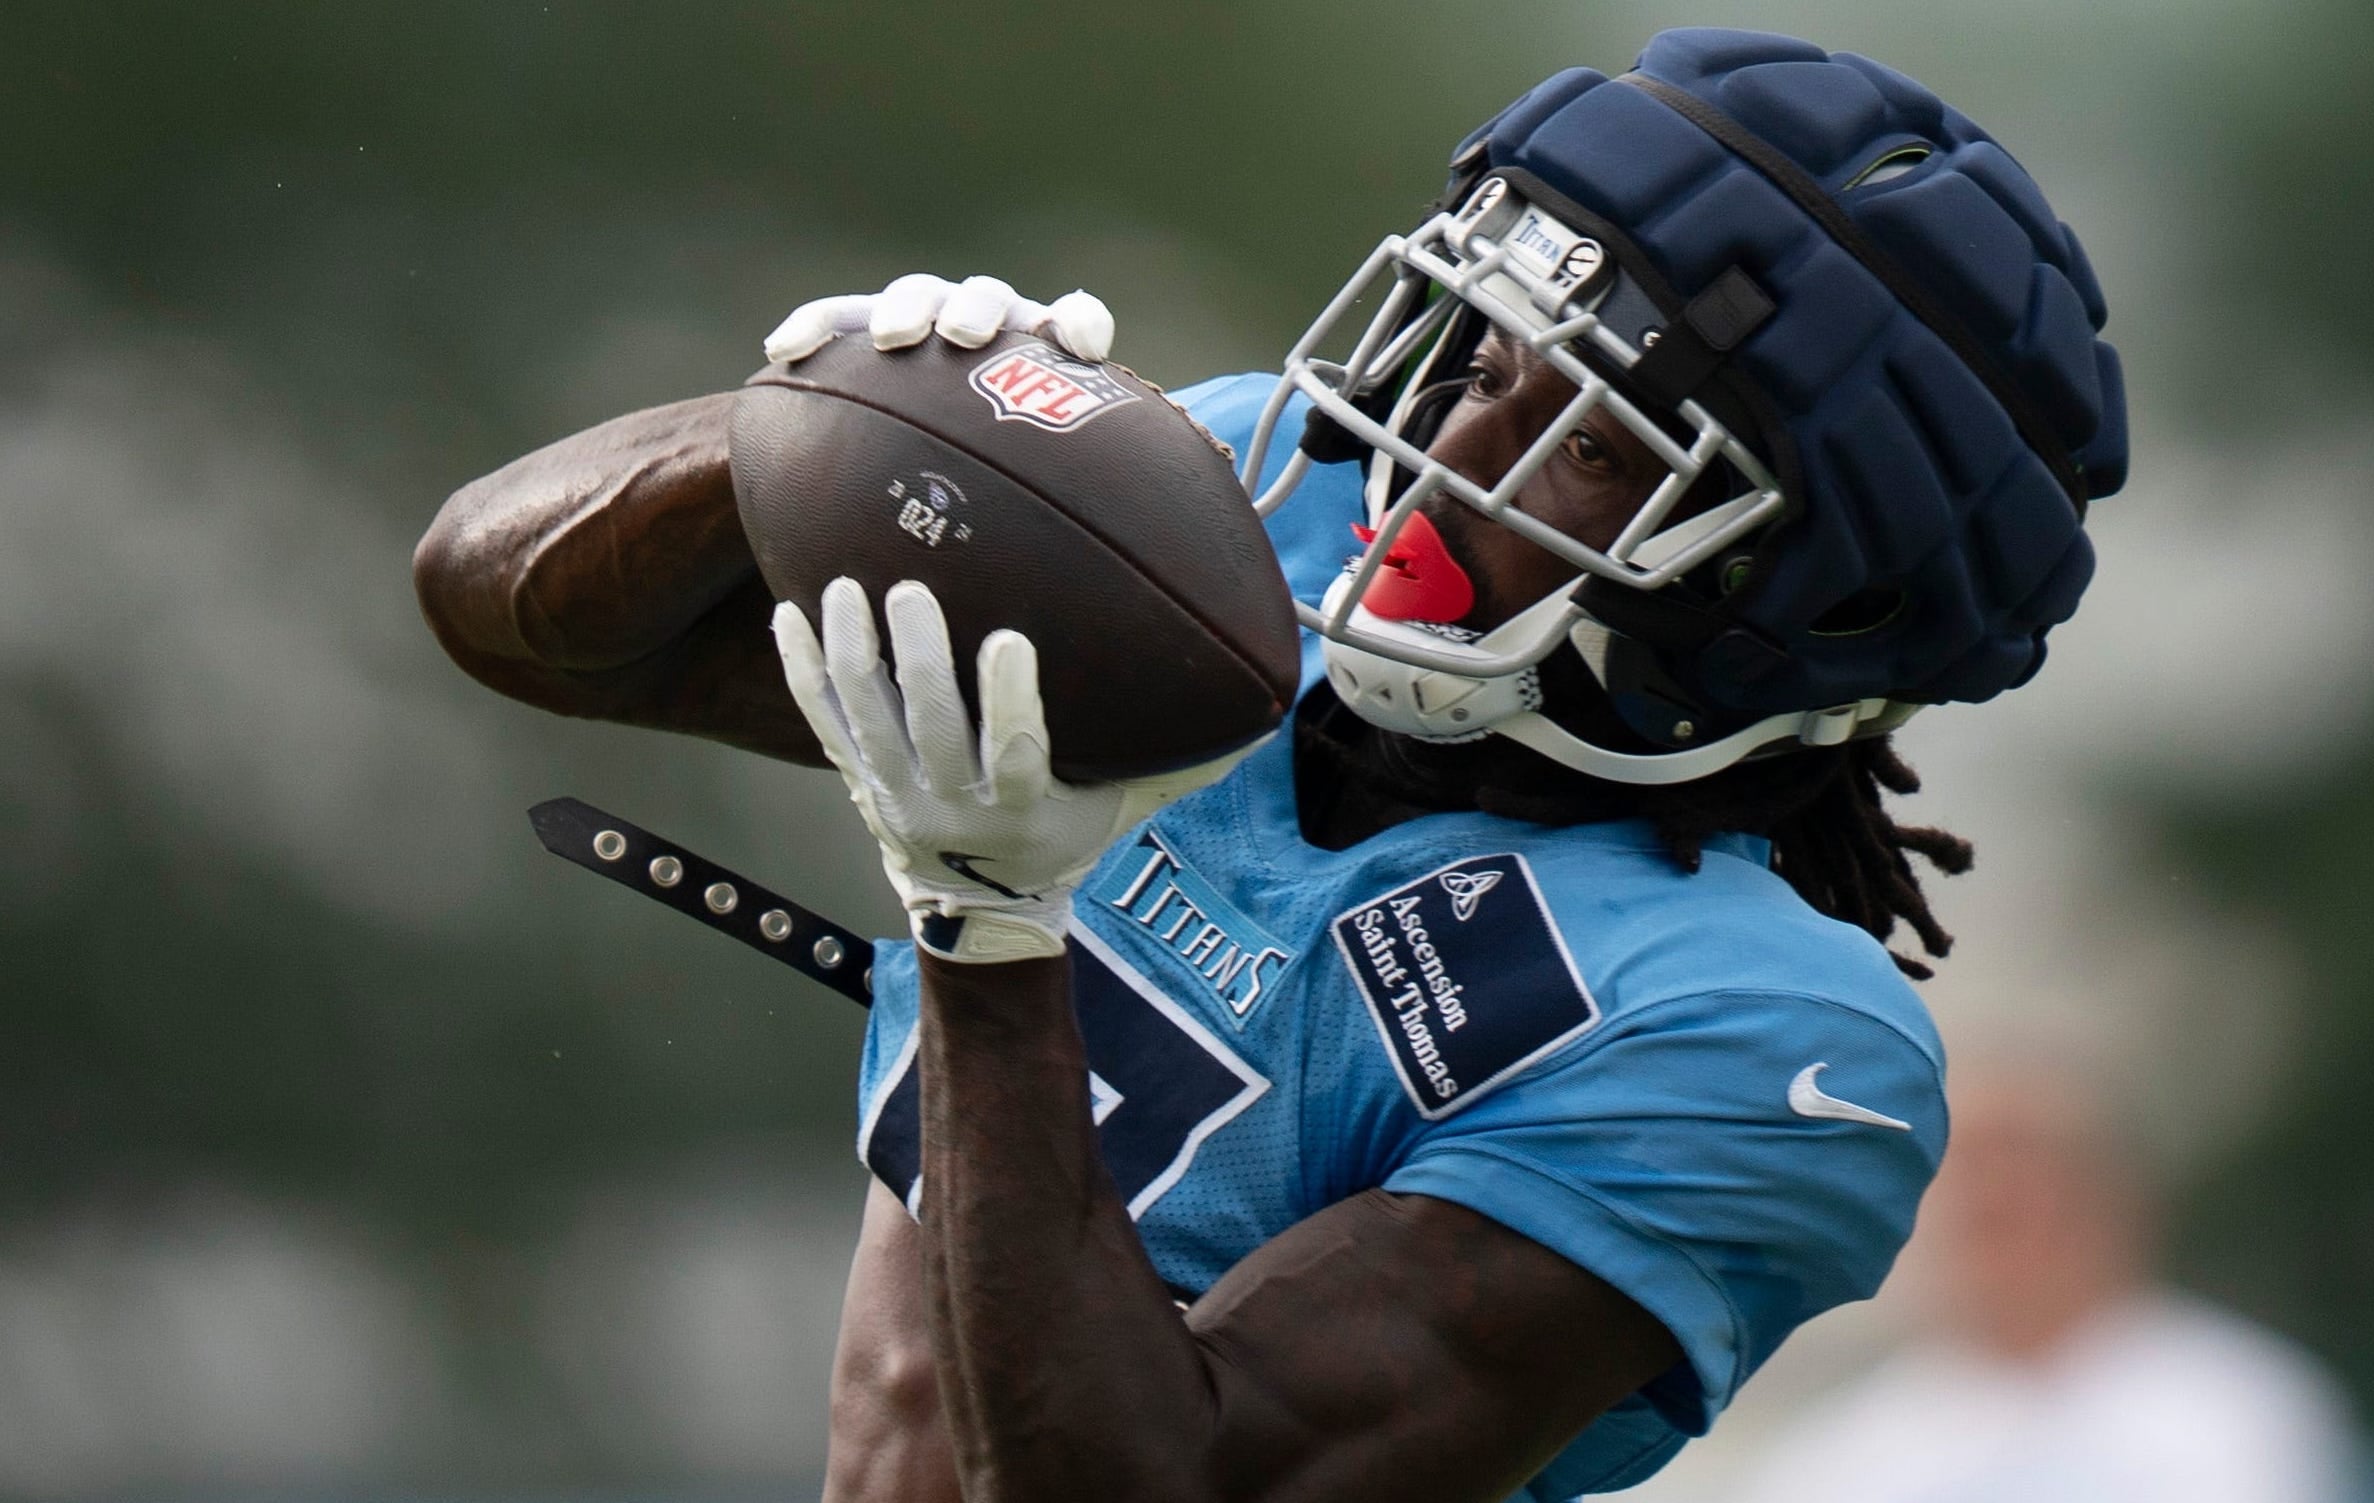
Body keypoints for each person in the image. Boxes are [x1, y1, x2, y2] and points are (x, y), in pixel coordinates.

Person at [413, 28, 2127, 1503]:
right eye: (1477, 356)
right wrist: (824, 422)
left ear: (1791, 609)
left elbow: (1144, 1482)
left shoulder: (1742, 1034)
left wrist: (992, 933)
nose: (1439, 457)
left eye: (1589, 443)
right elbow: (514, 612)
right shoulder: (1254, 521)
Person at [1711, 1059, 2358, 1503]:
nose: (1996, 1199)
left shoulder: (2233, 1406)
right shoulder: (1851, 1446)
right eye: (1972, 1173)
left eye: (2027, 1169)